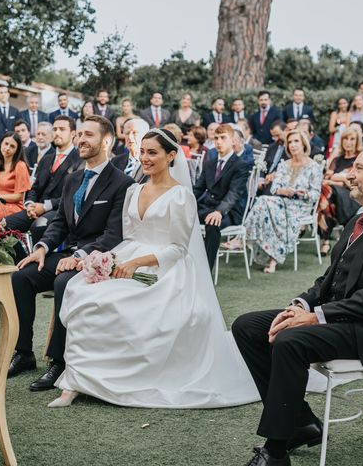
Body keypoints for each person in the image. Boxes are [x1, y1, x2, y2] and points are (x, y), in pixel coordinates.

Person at [48, 128, 260, 408]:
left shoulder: (181, 196)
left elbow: (178, 249)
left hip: (165, 269)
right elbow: (129, 236)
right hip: (128, 257)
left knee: (124, 305)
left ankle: (114, 380)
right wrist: (106, 260)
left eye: (153, 152)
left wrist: (136, 263)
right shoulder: (133, 191)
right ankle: (75, 381)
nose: (145, 158)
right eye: (142, 152)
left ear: (171, 156)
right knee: (82, 291)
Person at [232, 147, 363, 466]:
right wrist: (301, 304)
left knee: (290, 341)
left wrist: (315, 317)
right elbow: (330, 276)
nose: (348, 173)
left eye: (359, 168)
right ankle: (302, 423)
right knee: (249, 326)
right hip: (334, 320)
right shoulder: (360, 217)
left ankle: (276, 450)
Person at [7, 115, 134, 391]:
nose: (81, 140)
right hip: (66, 254)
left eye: (89, 135)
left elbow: (114, 234)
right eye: (80, 134)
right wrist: (42, 248)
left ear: (107, 140)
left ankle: (59, 361)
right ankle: (24, 352)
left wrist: (80, 257)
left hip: (98, 257)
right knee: (22, 277)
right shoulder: (73, 178)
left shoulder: (122, 183)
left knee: (62, 282)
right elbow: (61, 223)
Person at [245, 130, 323, 274]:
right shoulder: (283, 165)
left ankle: (245, 238)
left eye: (296, 141)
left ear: (304, 143)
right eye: (290, 142)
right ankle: (270, 258)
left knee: (266, 204)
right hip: (281, 202)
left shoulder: (314, 167)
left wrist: (303, 193)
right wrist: (285, 191)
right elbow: (274, 189)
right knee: (265, 202)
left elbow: (315, 194)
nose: (292, 145)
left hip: (300, 206)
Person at [4, 116, 83, 243]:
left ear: (73, 133)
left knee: (39, 226)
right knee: (3, 225)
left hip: (60, 211)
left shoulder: (79, 161)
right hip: (35, 209)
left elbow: (73, 195)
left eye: (62, 129)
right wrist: (30, 204)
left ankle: (38, 261)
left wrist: (45, 206)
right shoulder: (46, 159)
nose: (57, 132)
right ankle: (22, 260)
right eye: (55, 129)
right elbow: (34, 187)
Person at [193, 124, 249, 270]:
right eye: (216, 138)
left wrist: (219, 211)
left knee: (212, 222)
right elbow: (198, 189)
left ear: (233, 141)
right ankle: (184, 265)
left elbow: (234, 194)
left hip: (228, 212)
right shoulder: (210, 164)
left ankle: (205, 271)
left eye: (223, 138)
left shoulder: (240, 165)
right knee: (181, 215)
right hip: (207, 208)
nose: (218, 142)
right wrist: (184, 203)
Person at [318, 127, 363, 256]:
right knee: (326, 197)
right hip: (332, 196)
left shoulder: (360, 160)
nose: (348, 142)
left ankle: (325, 241)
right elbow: (326, 177)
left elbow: (353, 182)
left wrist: (339, 179)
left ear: (357, 141)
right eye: (346, 139)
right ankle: (326, 240)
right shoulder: (337, 159)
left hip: (351, 197)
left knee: (326, 192)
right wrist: (342, 180)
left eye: (352, 139)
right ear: (341, 141)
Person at [111, 117, 150, 183]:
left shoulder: (153, 162)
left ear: (146, 135)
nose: (129, 137)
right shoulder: (115, 161)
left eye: (135, 133)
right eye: (127, 133)